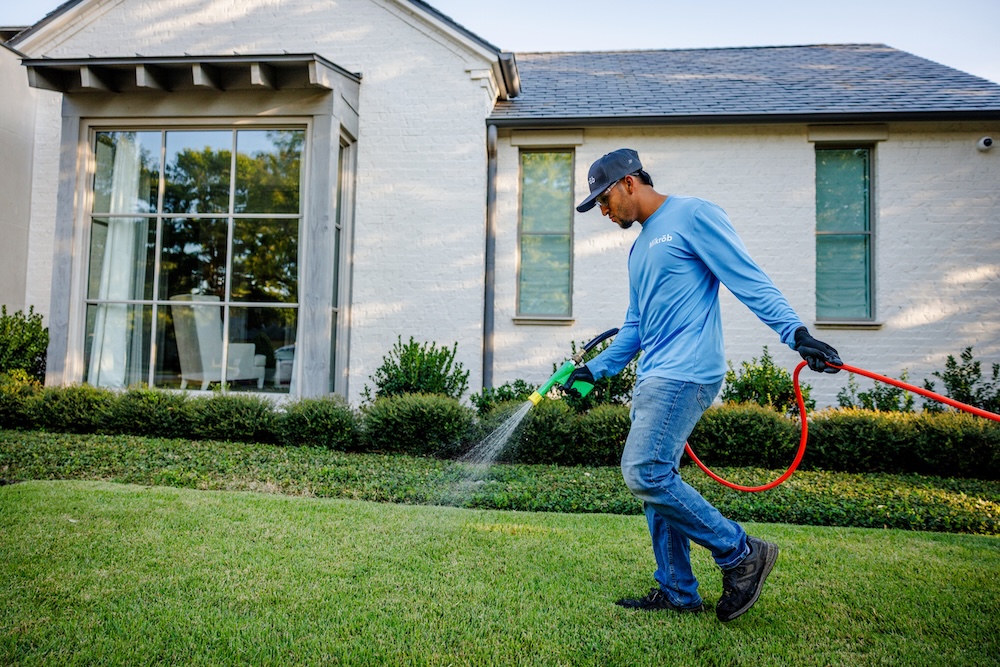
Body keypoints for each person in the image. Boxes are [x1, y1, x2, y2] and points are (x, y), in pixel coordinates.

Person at [565, 148, 842, 622]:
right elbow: (634, 326)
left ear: (630, 182)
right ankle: (677, 590)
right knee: (658, 481)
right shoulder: (639, 249)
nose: (604, 211)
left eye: (604, 199)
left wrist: (795, 333)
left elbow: (746, 278)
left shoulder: (693, 214)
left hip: (686, 370)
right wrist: (597, 372)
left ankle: (740, 554)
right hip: (655, 374)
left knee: (644, 471)